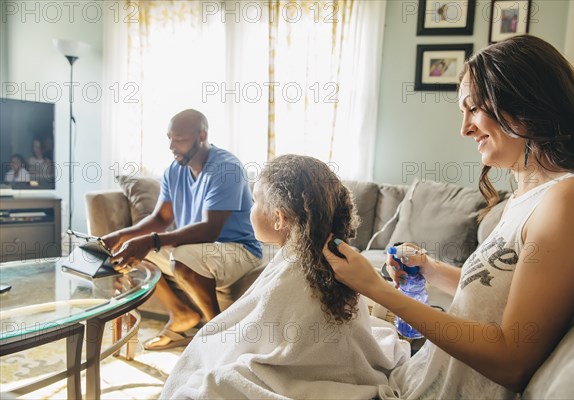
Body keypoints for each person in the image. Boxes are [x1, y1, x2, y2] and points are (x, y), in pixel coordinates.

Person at [324, 35, 574, 399]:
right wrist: (431, 270)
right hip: (412, 380)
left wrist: (374, 288)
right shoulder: (527, 196)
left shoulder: (573, 199)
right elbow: (499, 299)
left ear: (526, 105)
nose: (465, 128)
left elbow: (511, 361)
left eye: (473, 109)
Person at [161, 155, 410, 399]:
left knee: (208, 364)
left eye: (254, 202)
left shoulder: (295, 272)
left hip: (312, 370)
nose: (251, 209)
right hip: (334, 359)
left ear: (279, 218)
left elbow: (250, 338)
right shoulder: (321, 254)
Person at [102, 109, 263, 350]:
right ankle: (181, 314)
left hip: (239, 250)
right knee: (129, 253)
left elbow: (210, 230)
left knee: (180, 256)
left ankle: (217, 336)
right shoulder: (174, 171)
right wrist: (122, 236)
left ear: (202, 135)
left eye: (179, 139)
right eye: (169, 138)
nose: (171, 145)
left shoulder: (226, 168)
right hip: (197, 249)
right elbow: (160, 218)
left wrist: (151, 241)